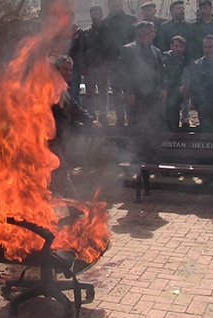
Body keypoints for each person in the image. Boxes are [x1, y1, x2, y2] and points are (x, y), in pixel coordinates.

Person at [49, 55, 102, 198]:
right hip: (48, 139)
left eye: (70, 70)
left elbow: (75, 107)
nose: (68, 72)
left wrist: (90, 120)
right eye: (64, 69)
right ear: (56, 70)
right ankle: (75, 206)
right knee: (60, 171)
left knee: (53, 173)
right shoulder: (48, 87)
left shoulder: (64, 88)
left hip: (61, 137)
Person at [119, 21, 167, 164]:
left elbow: (162, 72)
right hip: (136, 97)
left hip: (153, 97)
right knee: (137, 128)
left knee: (152, 127)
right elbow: (123, 73)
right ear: (142, 33)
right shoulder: (128, 49)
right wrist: (128, 92)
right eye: (151, 31)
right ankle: (136, 160)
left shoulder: (156, 51)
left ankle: (152, 158)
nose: (154, 34)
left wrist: (164, 88)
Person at [99, 0, 137, 125]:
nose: (114, 9)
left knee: (128, 90)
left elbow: (135, 40)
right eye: (112, 7)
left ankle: (131, 118)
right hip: (112, 62)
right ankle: (120, 118)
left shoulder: (131, 20)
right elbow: (102, 43)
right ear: (108, 7)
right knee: (115, 92)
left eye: (116, 6)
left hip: (128, 63)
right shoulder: (104, 23)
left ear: (121, 5)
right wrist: (104, 60)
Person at [182, 35, 213, 133]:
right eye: (205, 47)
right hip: (205, 108)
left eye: (210, 47)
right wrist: (200, 105)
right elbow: (193, 87)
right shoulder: (197, 65)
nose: (207, 49)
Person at [80, 6, 108, 124]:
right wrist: (83, 66)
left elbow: (110, 48)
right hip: (89, 67)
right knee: (90, 92)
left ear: (101, 14)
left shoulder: (107, 30)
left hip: (103, 66)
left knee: (103, 91)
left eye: (97, 13)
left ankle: (103, 114)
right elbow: (82, 50)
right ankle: (91, 114)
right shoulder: (86, 33)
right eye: (92, 14)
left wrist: (108, 64)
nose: (95, 16)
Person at [162, 36, 188, 131]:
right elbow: (166, 78)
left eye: (181, 46)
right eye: (176, 46)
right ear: (171, 46)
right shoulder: (166, 59)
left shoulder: (182, 59)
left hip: (177, 96)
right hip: (167, 95)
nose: (178, 49)